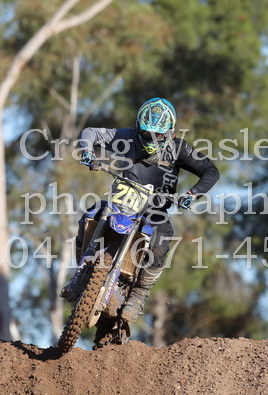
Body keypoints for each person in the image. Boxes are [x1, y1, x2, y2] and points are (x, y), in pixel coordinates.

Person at [65, 97, 219, 322]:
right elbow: (91, 132)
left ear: (169, 133)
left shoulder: (178, 148)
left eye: (158, 135)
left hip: (155, 209)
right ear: (138, 127)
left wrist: (193, 193)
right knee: (90, 215)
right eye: (147, 133)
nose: (152, 138)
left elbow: (210, 170)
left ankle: (139, 294)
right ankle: (80, 273)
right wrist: (87, 151)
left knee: (163, 238)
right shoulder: (126, 137)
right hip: (122, 202)